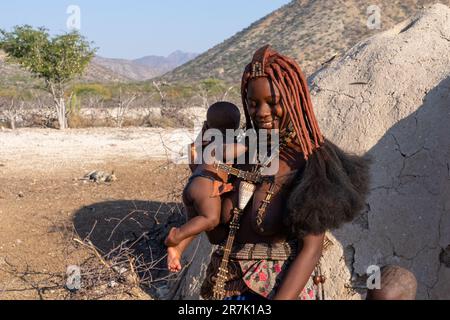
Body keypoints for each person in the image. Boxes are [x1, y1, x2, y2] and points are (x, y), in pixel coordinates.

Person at [199, 45, 372, 300]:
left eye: (273, 102)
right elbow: (217, 235)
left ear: (292, 100)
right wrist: (203, 181)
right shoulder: (241, 154)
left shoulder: (309, 161)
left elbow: (310, 250)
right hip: (229, 287)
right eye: (253, 103)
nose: (262, 113)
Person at [165, 101, 246, 273]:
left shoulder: (205, 141)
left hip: (194, 183)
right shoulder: (226, 141)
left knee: (195, 225)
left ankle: (177, 249)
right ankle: (176, 235)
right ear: (236, 127)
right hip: (206, 185)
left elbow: (193, 161)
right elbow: (226, 154)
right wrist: (248, 145)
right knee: (211, 219)